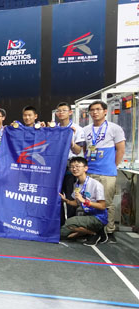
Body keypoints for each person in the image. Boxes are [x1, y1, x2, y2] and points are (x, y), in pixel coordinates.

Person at [83, 100, 125, 243]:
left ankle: (109, 230)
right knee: (90, 202)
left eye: (98, 109)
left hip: (107, 173)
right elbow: (85, 150)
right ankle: (94, 230)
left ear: (105, 111)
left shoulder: (115, 128)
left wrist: (112, 165)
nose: (95, 112)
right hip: (90, 172)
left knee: (106, 203)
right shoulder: (86, 130)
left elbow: (121, 150)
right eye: (92, 110)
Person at [59, 156, 108, 246]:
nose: (74, 169)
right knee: (63, 234)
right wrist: (66, 201)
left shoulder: (95, 184)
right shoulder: (76, 184)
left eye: (77, 166)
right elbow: (76, 203)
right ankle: (92, 231)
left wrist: (85, 201)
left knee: (69, 223)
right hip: (87, 216)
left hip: (98, 217)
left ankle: (94, 234)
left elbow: (102, 206)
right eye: (72, 167)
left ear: (85, 168)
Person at [54, 102, 85, 224]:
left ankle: (71, 224)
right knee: (56, 196)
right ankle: (60, 224)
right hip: (55, 166)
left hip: (70, 166)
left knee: (70, 195)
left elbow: (78, 151)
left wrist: (71, 141)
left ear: (70, 112)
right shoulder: (54, 129)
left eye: (64, 110)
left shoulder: (77, 129)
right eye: (59, 111)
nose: (61, 113)